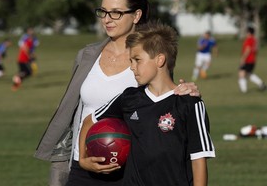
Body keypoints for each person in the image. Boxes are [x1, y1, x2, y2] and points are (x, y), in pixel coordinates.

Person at [34, 0, 200, 186]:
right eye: (103, 12)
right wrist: (74, 158)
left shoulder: (146, 60)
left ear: (136, 15)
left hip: (126, 168)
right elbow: (73, 109)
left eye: (116, 13)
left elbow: (163, 100)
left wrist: (186, 90)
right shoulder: (87, 55)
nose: (107, 19)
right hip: (81, 163)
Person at [79, 21, 215, 186]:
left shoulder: (189, 104)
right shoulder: (129, 98)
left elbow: (199, 161)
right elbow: (89, 121)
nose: (132, 67)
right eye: (131, 61)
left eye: (137, 60)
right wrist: (83, 159)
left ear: (159, 60)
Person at [238, 26, 266, 93]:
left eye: (246, 32)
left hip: (248, 60)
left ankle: (244, 90)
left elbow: (248, 49)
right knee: (248, 74)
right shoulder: (254, 39)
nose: (246, 33)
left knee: (241, 73)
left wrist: (243, 58)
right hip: (252, 59)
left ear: (249, 32)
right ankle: (261, 83)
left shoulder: (249, 39)